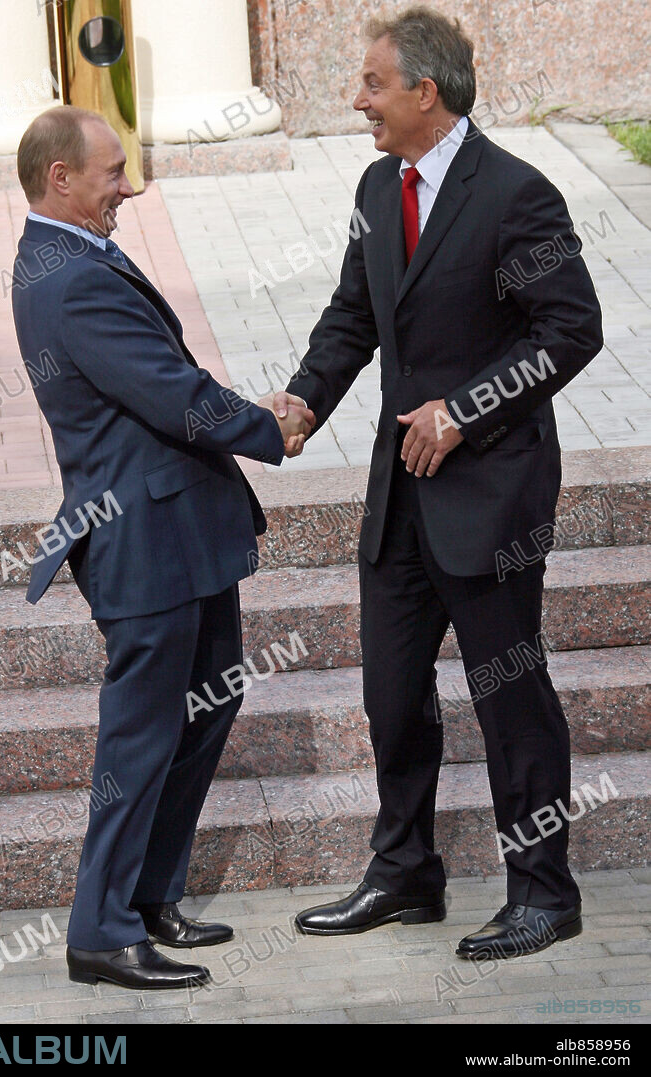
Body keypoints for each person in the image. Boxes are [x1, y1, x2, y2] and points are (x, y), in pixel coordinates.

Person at [273, 5, 603, 959]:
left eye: (374, 83)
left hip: (493, 499)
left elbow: (571, 330)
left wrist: (465, 410)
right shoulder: (380, 186)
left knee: (511, 696)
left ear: (426, 90)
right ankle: (408, 871)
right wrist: (301, 403)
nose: (357, 99)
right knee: (391, 695)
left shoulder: (519, 193)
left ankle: (544, 893)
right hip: (399, 501)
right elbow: (351, 316)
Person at [11, 105, 314, 990]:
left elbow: (161, 377)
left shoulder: (71, 254)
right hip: (142, 542)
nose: (130, 188)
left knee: (208, 703)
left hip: (180, 530)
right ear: (59, 178)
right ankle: (100, 932)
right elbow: (170, 391)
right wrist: (270, 427)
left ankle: (148, 894)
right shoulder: (70, 279)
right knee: (138, 740)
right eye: (112, 173)